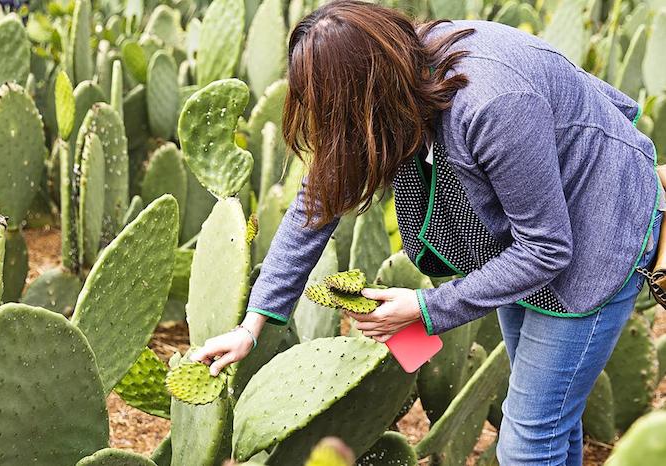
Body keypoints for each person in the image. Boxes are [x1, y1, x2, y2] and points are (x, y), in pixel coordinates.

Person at [189, 1, 665, 464]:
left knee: (529, 437)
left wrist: (425, 308)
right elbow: (316, 203)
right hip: (532, 233)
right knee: (548, 417)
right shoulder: (398, 79)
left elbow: (545, 248)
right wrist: (252, 324)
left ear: (368, 94)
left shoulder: (491, 105)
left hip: (597, 230)